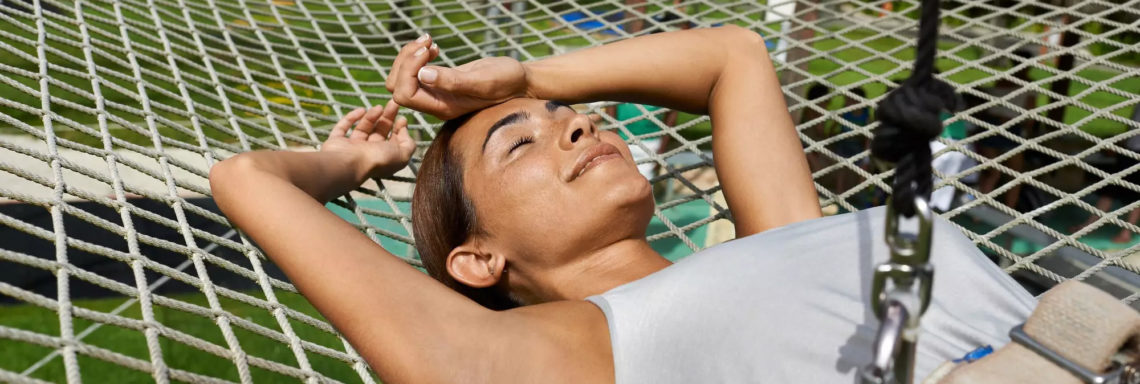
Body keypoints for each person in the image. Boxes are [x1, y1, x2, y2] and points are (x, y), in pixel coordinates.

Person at [210, 27, 1035, 383]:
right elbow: (246, 179)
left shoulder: (787, 240)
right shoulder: (579, 354)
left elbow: (730, 58)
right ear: (478, 258)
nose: (576, 127)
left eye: (571, 121)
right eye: (522, 144)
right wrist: (352, 158)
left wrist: (527, 82)